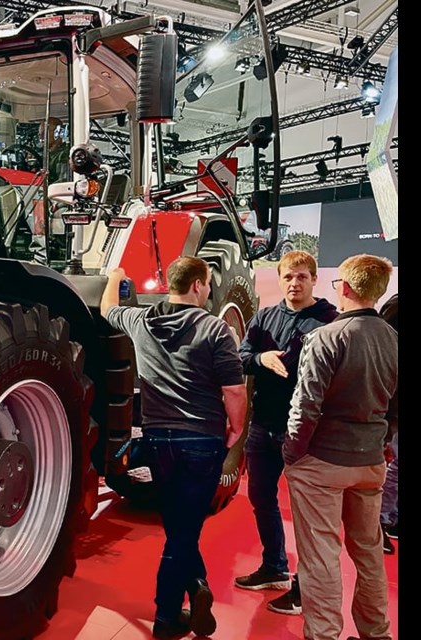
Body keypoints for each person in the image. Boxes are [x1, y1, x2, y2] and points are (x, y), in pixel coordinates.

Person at [102, 257, 247, 639]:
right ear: (199, 284)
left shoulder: (141, 322)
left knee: (178, 523)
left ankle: (197, 585)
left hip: (157, 439)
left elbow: (107, 310)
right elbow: (234, 388)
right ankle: (166, 617)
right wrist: (237, 427)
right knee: (185, 532)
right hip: (202, 440)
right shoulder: (215, 329)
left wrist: (116, 276)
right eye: (209, 286)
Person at [283, 254, 397, 640]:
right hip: (370, 461)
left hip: (323, 462)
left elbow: (306, 406)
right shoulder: (394, 339)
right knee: (369, 553)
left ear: (344, 288)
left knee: (320, 557)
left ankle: (324, 634)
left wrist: (292, 454)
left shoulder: (326, 337)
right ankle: (376, 633)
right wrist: (383, 442)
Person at [233, 251, 338, 616]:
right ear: (279, 279)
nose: (295, 283)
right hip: (263, 426)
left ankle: (304, 588)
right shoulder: (265, 317)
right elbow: (242, 356)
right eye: (289, 276)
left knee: (308, 515)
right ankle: (274, 567)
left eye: (302, 277)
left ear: (314, 280)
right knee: (262, 499)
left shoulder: (328, 320)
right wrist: (262, 360)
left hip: (306, 432)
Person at [27, 117, 71, 265]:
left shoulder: (66, 154)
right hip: (44, 192)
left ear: (58, 133)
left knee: (39, 205)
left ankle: (40, 256)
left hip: (62, 196)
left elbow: (63, 182)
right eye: (40, 133)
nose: (41, 136)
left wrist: (47, 193)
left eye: (45, 132)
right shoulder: (45, 155)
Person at [378, 293, 398, 554]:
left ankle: (390, 518)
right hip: (394, 399)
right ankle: (380, 520)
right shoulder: (396, 306)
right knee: (395, 465)